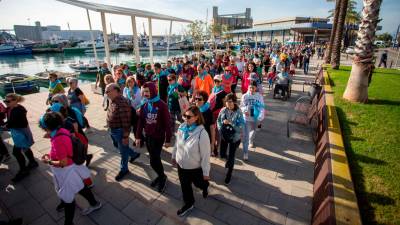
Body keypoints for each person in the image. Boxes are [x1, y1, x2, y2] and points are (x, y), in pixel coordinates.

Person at [40, 112, 102, 225]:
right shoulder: (62, 130)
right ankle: (94, 203)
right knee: (80, 186)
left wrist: (48, 161)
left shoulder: (58, 140)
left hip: (65, 171)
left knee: (69, 198)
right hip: (71, 167)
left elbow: (62, 162)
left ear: (47, 127)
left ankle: (68, 222)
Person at [172, 106, 210, 217]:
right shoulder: (182, 127)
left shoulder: (202, 134)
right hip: (181, 165)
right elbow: (177, 143)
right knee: (185, 186)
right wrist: (174, 156)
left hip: (195, 168)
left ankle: (205, 186)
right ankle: (189, 203)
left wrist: (206, 173)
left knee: (198, 184)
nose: (185, 119)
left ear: (196, 117)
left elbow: (206, 156)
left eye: (188, 117)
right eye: (184, 116)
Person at [135, 82, 172, 193]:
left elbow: (167, 124)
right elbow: (140, 121)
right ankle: (161, 175)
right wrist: (138, 136)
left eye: (147, 91)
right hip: (148, 136)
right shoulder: (145, 104)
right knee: (152, 159)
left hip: (158, 137)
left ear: (153, 91)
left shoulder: (162, 105)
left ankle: (162, 177)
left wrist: (168, 139)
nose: (145, 94)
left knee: (154, 159)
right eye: (144, 91)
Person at [106, 83, 141, 181]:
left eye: (108, 91)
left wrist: (125, 137)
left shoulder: (122, 103)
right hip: (113, 130)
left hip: (119, 131)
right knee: (118, 146)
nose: (106, 93)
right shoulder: (112, 100)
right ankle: (134, 154)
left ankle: (124, 169)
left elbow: (126, 122)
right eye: (106, 91)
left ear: (116, 91)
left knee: (123, 151)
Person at [4, 94, 38, 182]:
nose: (5, 103)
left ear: (15, 101)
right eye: (5, 101)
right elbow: (9, 120)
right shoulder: (10, 108)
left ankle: (24, 171)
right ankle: (33, 162)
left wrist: (4, 126)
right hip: (19, 132)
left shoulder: (19, 111)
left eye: (8, 101)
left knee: (16, 152)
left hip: (22, 133)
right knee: (26, 148)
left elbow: (14, 123)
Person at [217, 93, 244, 184]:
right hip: (225, 135)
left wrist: (231, 124)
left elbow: (241, 127)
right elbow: (218, 121)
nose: (228, 104)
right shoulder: (223, 110)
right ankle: (228, 160)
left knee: (232, 156)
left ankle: (229, 174)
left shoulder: (239, 112)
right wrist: (220, 128)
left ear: (234, 101)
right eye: (226, 102)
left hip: (235, 137)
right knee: (222, 154)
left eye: (230, 102)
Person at [240, 81, 265, 160]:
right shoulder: (245, 96)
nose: (251, 89)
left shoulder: (259, 96)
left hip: (255, 118)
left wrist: (261, 115)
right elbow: (241, 106)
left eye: (253, 88)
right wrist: (244, 110)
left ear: (256, 88)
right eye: (250, 87)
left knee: (254, 130)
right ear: (248, 87)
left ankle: (251, 140)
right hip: (246, 118)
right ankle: (245, 153)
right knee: (245, 136)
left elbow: (262, 107)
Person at [194, 91, 216, 156]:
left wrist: (212, 143)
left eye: (199, 99)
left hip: (205, 138)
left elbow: (212, 128)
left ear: (204, 101)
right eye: (196, 99)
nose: (197, 101)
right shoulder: (194, 109)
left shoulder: (208, 112)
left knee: (204, 157)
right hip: (195, 137)